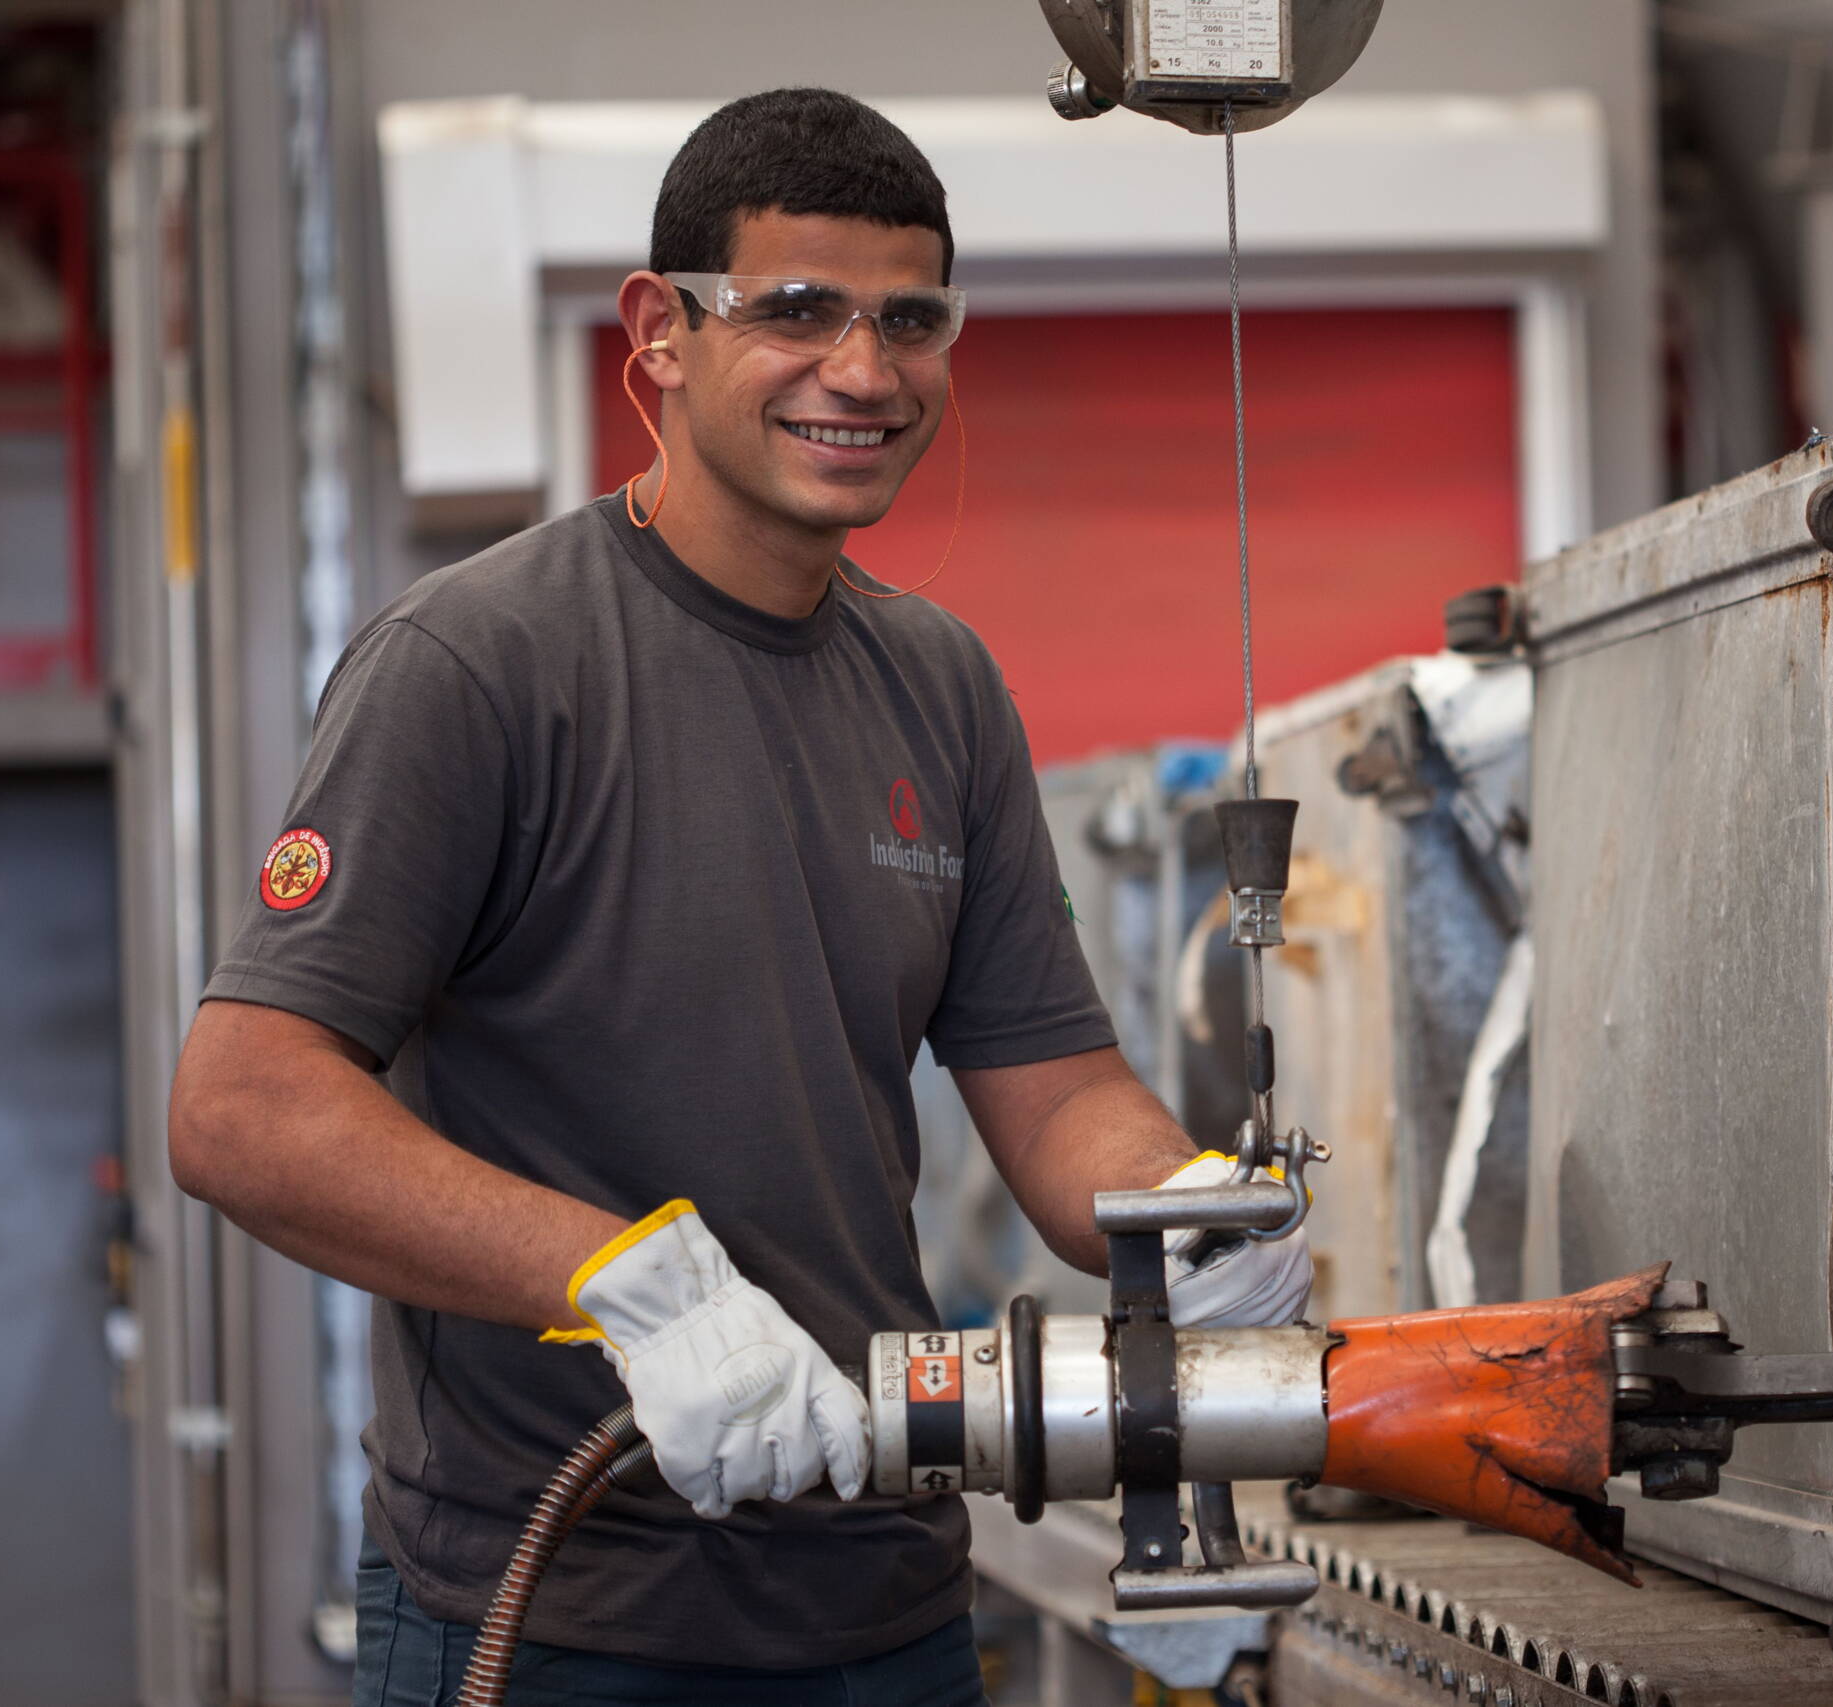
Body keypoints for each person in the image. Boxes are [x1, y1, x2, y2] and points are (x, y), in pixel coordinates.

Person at [166, 87, 1309, 1707]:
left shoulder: (942, 683)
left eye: (912, 320)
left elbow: (1052, 1089)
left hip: (889, 1596)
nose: (867, 370)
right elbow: (242, 1110)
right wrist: (626, 1281)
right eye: (796, 311)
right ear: (659, 335)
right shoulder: (480, 664)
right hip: (563, 1608)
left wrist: (1184, 1217)